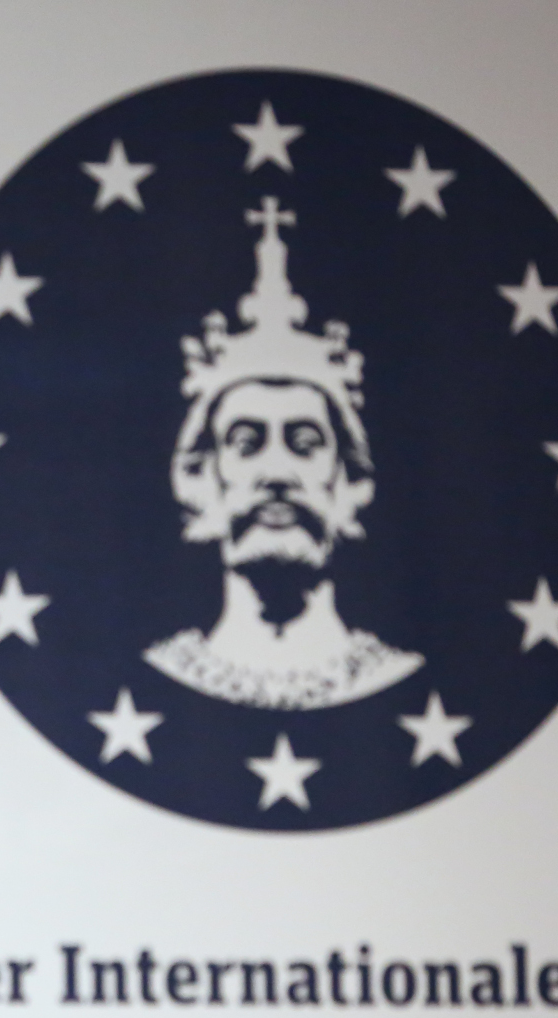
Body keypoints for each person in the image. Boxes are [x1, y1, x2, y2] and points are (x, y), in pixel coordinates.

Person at [145, 197, 422, 709]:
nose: (276, 472)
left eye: (305, 444)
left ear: (352, 482)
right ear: (199, 480)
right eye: (246, 444)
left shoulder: (400, 679)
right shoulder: (158, 676)